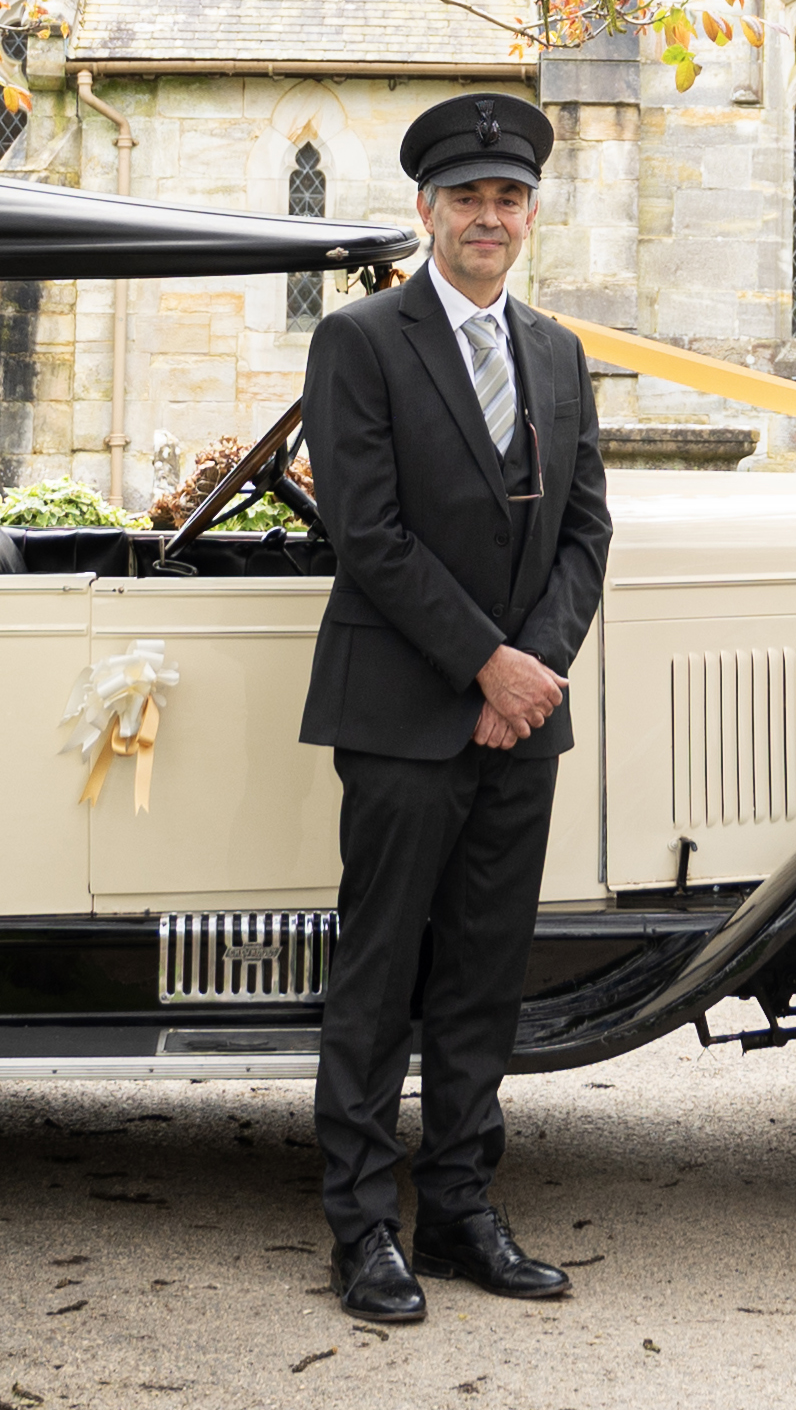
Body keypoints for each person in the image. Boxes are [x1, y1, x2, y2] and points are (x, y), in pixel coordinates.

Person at [297, 91, 613, 1324]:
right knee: (380, 973)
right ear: (426, 212)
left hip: (518, 718)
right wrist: (486, 665)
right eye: (468, 198)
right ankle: (363, 1225)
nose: (490, 216)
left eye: (510, 197)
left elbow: (586, 530)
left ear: (529, 213)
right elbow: (364, 535)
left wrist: (527, 674)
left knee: (484, 974)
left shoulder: (557, 350)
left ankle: (465, 1210)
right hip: (401, 711)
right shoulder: (361, 341)